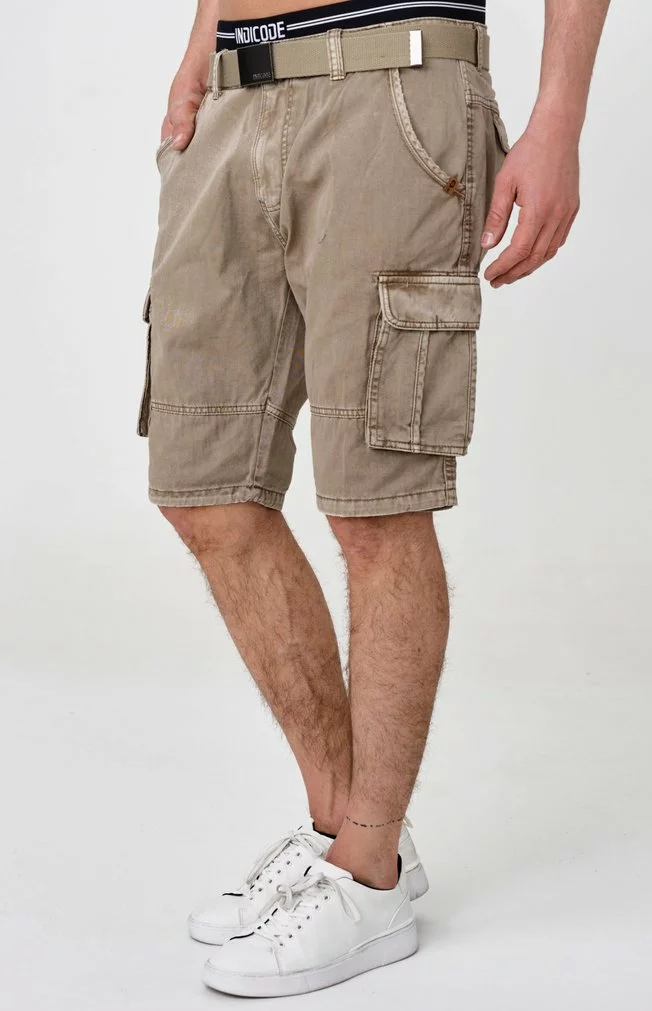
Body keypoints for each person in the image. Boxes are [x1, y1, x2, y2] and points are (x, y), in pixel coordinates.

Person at [138, 0, 610, 996]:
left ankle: (368, 874)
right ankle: (342, 829)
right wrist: (198, 47)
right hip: (233, 88)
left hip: (394, 80)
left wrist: (559, 117)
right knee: (206, 490)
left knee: (375, 504)